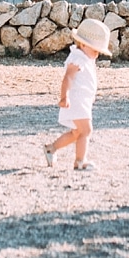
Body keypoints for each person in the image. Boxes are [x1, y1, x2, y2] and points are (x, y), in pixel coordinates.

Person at [44, 17, 111, 171]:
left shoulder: (85, 58)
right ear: (82, 44)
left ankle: (51, 148)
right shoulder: (77, 58)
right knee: (86, 130)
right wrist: (64, 96)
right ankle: (80, 161)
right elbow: (68, 78)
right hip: (75, 100)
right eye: (95, 50)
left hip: (83, 101)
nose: (97, 54)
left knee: (76, 132)